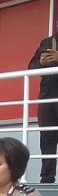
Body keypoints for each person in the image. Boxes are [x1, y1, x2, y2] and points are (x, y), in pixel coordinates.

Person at [28, 17, 58, 182]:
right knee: (47, 138)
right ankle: (47, 178)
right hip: (47, 95)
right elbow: (31, 68)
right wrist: (41, 62)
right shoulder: (46, 42)